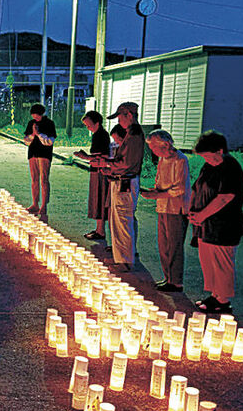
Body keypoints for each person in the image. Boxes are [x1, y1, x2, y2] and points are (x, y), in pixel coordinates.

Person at [189, 130, 243, 314]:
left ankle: (223, 300)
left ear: (219, 150)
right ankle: (215, 295)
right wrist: (193, 211)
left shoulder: (230, 167)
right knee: (208, 261)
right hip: (206, 225)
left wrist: (202, 214)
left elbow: (225, 197)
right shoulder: (209, 166)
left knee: (221, 263)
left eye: (207, 156)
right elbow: (197, 188)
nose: (206, 160)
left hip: (224, 225)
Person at [91, 102, 145, 272]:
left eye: (120, 117)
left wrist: (106, 163)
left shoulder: (134, 135)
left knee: (122, 221)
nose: (119, 121)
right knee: (119, 220)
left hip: (126, 182)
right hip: (121, 180)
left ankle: (125, 261)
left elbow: (126, 163)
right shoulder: (130, 134)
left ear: (129, 115)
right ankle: (120, 257)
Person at [140, 129, 190, 292]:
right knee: (163, 245)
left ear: (166, 144)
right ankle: (168, 277)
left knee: (174, 245)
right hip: (162, 206)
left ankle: (176, 281)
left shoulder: (180, 160)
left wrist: (157, 194)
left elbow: (180, 188)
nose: (153, 151)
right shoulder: (163, 159)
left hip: (176, 209)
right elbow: (160, 181)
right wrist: (153, 191)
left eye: (154, 147)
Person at [74, 111, 111, 240]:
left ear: (97, 123)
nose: (87, 127)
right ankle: (98, 229)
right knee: (97, 199)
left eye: (88, 125)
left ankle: (101, 231)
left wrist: (85, 157)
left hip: (100, 171)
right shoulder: (98, 135)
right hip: (96, 170)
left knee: (100, 199)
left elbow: (103, 155)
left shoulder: (101, 135)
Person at [22, 103, 56, 218]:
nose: (34, 117)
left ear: (41, 113)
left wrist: (39, 134)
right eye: (33, 115)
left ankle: (44, 205)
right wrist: (32, 135)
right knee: (34, 179)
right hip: (33, 153)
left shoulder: (49, 123)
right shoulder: (31, 123)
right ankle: (35, 204)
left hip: (44, 154)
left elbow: (50, 141)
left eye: (36, 115)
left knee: (44, 180)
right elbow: (26, 140)